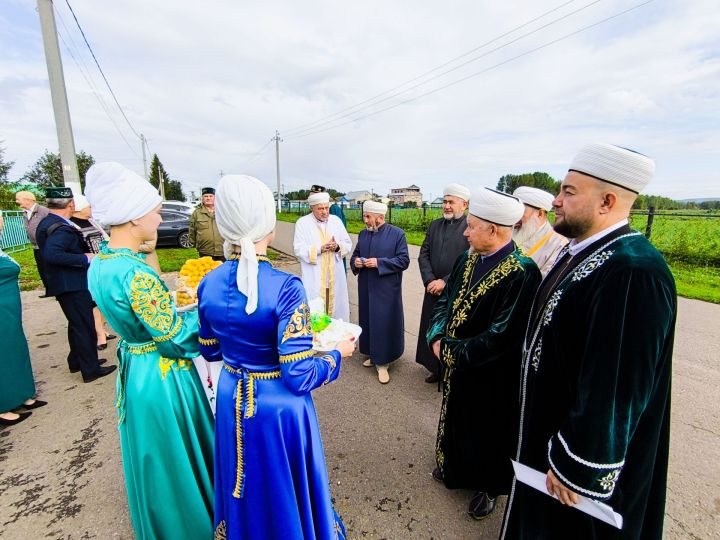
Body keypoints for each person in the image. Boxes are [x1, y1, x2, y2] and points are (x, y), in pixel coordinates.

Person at [500, 143, 677, 540]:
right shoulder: (582, 251)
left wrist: (578, 467)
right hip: (546, 448)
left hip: (575, 477)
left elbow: (617, 388)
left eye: (568, 192)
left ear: (607, 201)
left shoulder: (633, 269)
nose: (557, 201)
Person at [197, 174, 353, 540]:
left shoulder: (210, 281)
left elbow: (209, 349)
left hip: (231, 393)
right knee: (284, 487)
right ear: (268, 225)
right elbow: (297, 375)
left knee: (242, 480)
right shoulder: (286, 287)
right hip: (277, 407)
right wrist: (335, 354)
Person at [85, 162, 215, 540]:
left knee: (153, 454)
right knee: (173, 455)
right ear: (133, 217)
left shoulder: (102, 262)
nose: (160, 217)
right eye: (155, 211)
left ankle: (163, 518)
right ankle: (188, 525)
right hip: (161, 373)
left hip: (133, 363)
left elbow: (139, 320)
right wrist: (209, 317)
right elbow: (173, 338)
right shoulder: (136, 273)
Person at [427, 188, 541, 520]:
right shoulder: (468, 258)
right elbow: (445, 303)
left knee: (488, 429)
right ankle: (456, 469)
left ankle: (488, 487)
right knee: (457, 418)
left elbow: (501, 337)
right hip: (457, 365)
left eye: (472, 226)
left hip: (492, 374)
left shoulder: (523, 272)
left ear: (494, 229)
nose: (465, 231)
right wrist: (436, 335)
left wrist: (448, 350)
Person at [36, 187, 116, 383]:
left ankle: (76, 361)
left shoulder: (47, 222)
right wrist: (84, 258)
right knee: (84, 326)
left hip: (63, 283)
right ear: (70, 204)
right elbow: (52, 254)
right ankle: (91, 369)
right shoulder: (62, 227)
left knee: (76, 324)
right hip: (72, 284)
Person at [416, 183, 470, 384]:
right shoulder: (435, 225)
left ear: (464, 204)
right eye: (445, 202)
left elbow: (469, 260)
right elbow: (423, 254)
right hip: (432, 289)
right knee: (432, 328)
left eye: (451, 202)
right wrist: (430, 280)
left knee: (450, 330)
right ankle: (435, 368)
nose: (446, 206)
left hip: (454, 290)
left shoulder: (470, 228)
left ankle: (450, 371)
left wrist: (445, 282)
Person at [350, 200, 410, 384]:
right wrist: (356, 262)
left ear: (380, 218)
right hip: (366, 287)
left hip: (386, 290)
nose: (365, 221)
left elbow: (404, 261)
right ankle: (373, 356)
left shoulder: (397, 234)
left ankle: (383, 363)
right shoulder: (363, 234)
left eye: (368, 217)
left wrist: (379, 263)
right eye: (364, 216)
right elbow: (354, 255)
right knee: (368, 321)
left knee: (383, 323)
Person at [0, 213, 48, 426]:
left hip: (9, 309)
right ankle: (3, 405)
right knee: (3, 355)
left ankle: (21, 394)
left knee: (15, 349)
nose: (2, 224)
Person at [293, 190, 352, 320]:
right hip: (315, 276)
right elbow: (298, 248)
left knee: (336, 308)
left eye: (326, 208)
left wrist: (337, 247)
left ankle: (336, 338)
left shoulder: (336, 221)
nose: (325, 212)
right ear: (311, 208)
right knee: (316, 309)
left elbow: (347, 243)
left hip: (334, 275)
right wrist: (319, 249)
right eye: (320, 209)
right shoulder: (302, 223)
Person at [71, 194, 117, 351]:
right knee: (93, 304)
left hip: (100, 266)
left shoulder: (91, 221)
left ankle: (103, 329)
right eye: (88, 206)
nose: (91, 209)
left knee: (101, 301)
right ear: (79, 208)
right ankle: (100, 336)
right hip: (87, 270)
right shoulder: (73, 225)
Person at [512, 186, 568, 276]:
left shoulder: (559, 244)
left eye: (520, 210)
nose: (515, 215)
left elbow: (547, 279)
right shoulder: (510, 230)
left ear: (540, 213)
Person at [15, 190, 50, 297]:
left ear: (27, 199)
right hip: (36, 246)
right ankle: (49, 291)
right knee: (42, 269)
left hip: (46, 245)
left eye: (18, 199)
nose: (16, 201)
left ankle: (57, 291)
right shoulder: (25, 212)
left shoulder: (42, 210)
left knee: (50, 269)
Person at [189, 187, 225, 260]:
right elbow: (192, 230)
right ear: (202, 198)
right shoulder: (197, 213)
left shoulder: (223, 211)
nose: (208, 198)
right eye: (205, 196)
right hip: (205, 250)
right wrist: (194, 243)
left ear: (215, 198)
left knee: (223, 270)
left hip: (223, 249)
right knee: (207, 270)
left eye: (210, 196)